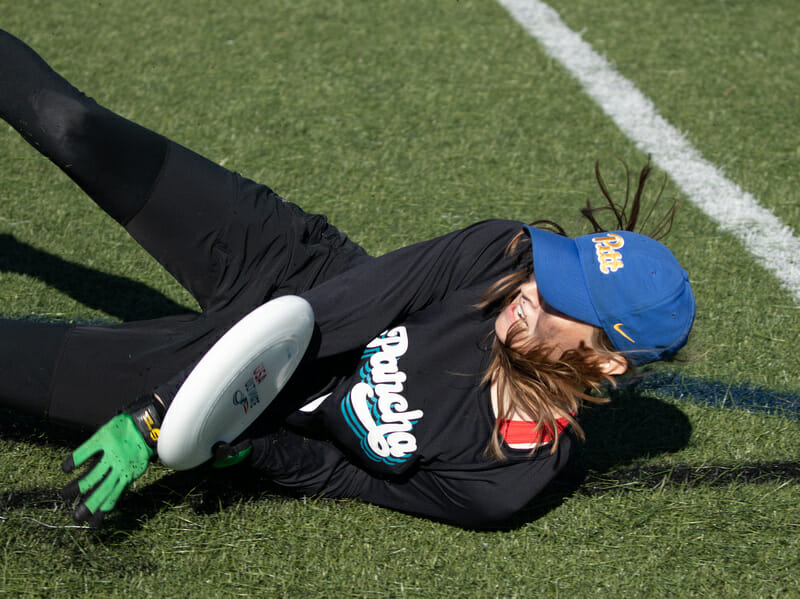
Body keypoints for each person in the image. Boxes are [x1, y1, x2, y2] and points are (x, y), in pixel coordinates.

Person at [0, 29, 695, 528]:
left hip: (253, 396)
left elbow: (341, 474)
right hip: (293, 276)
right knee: (75, 126)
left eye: (562, 298)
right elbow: (337, 309)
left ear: (603, 358)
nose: (531, 287)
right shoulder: (503, 252)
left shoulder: (506, 481)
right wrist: (156, 412)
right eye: (556, 268)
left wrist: (238, 439)